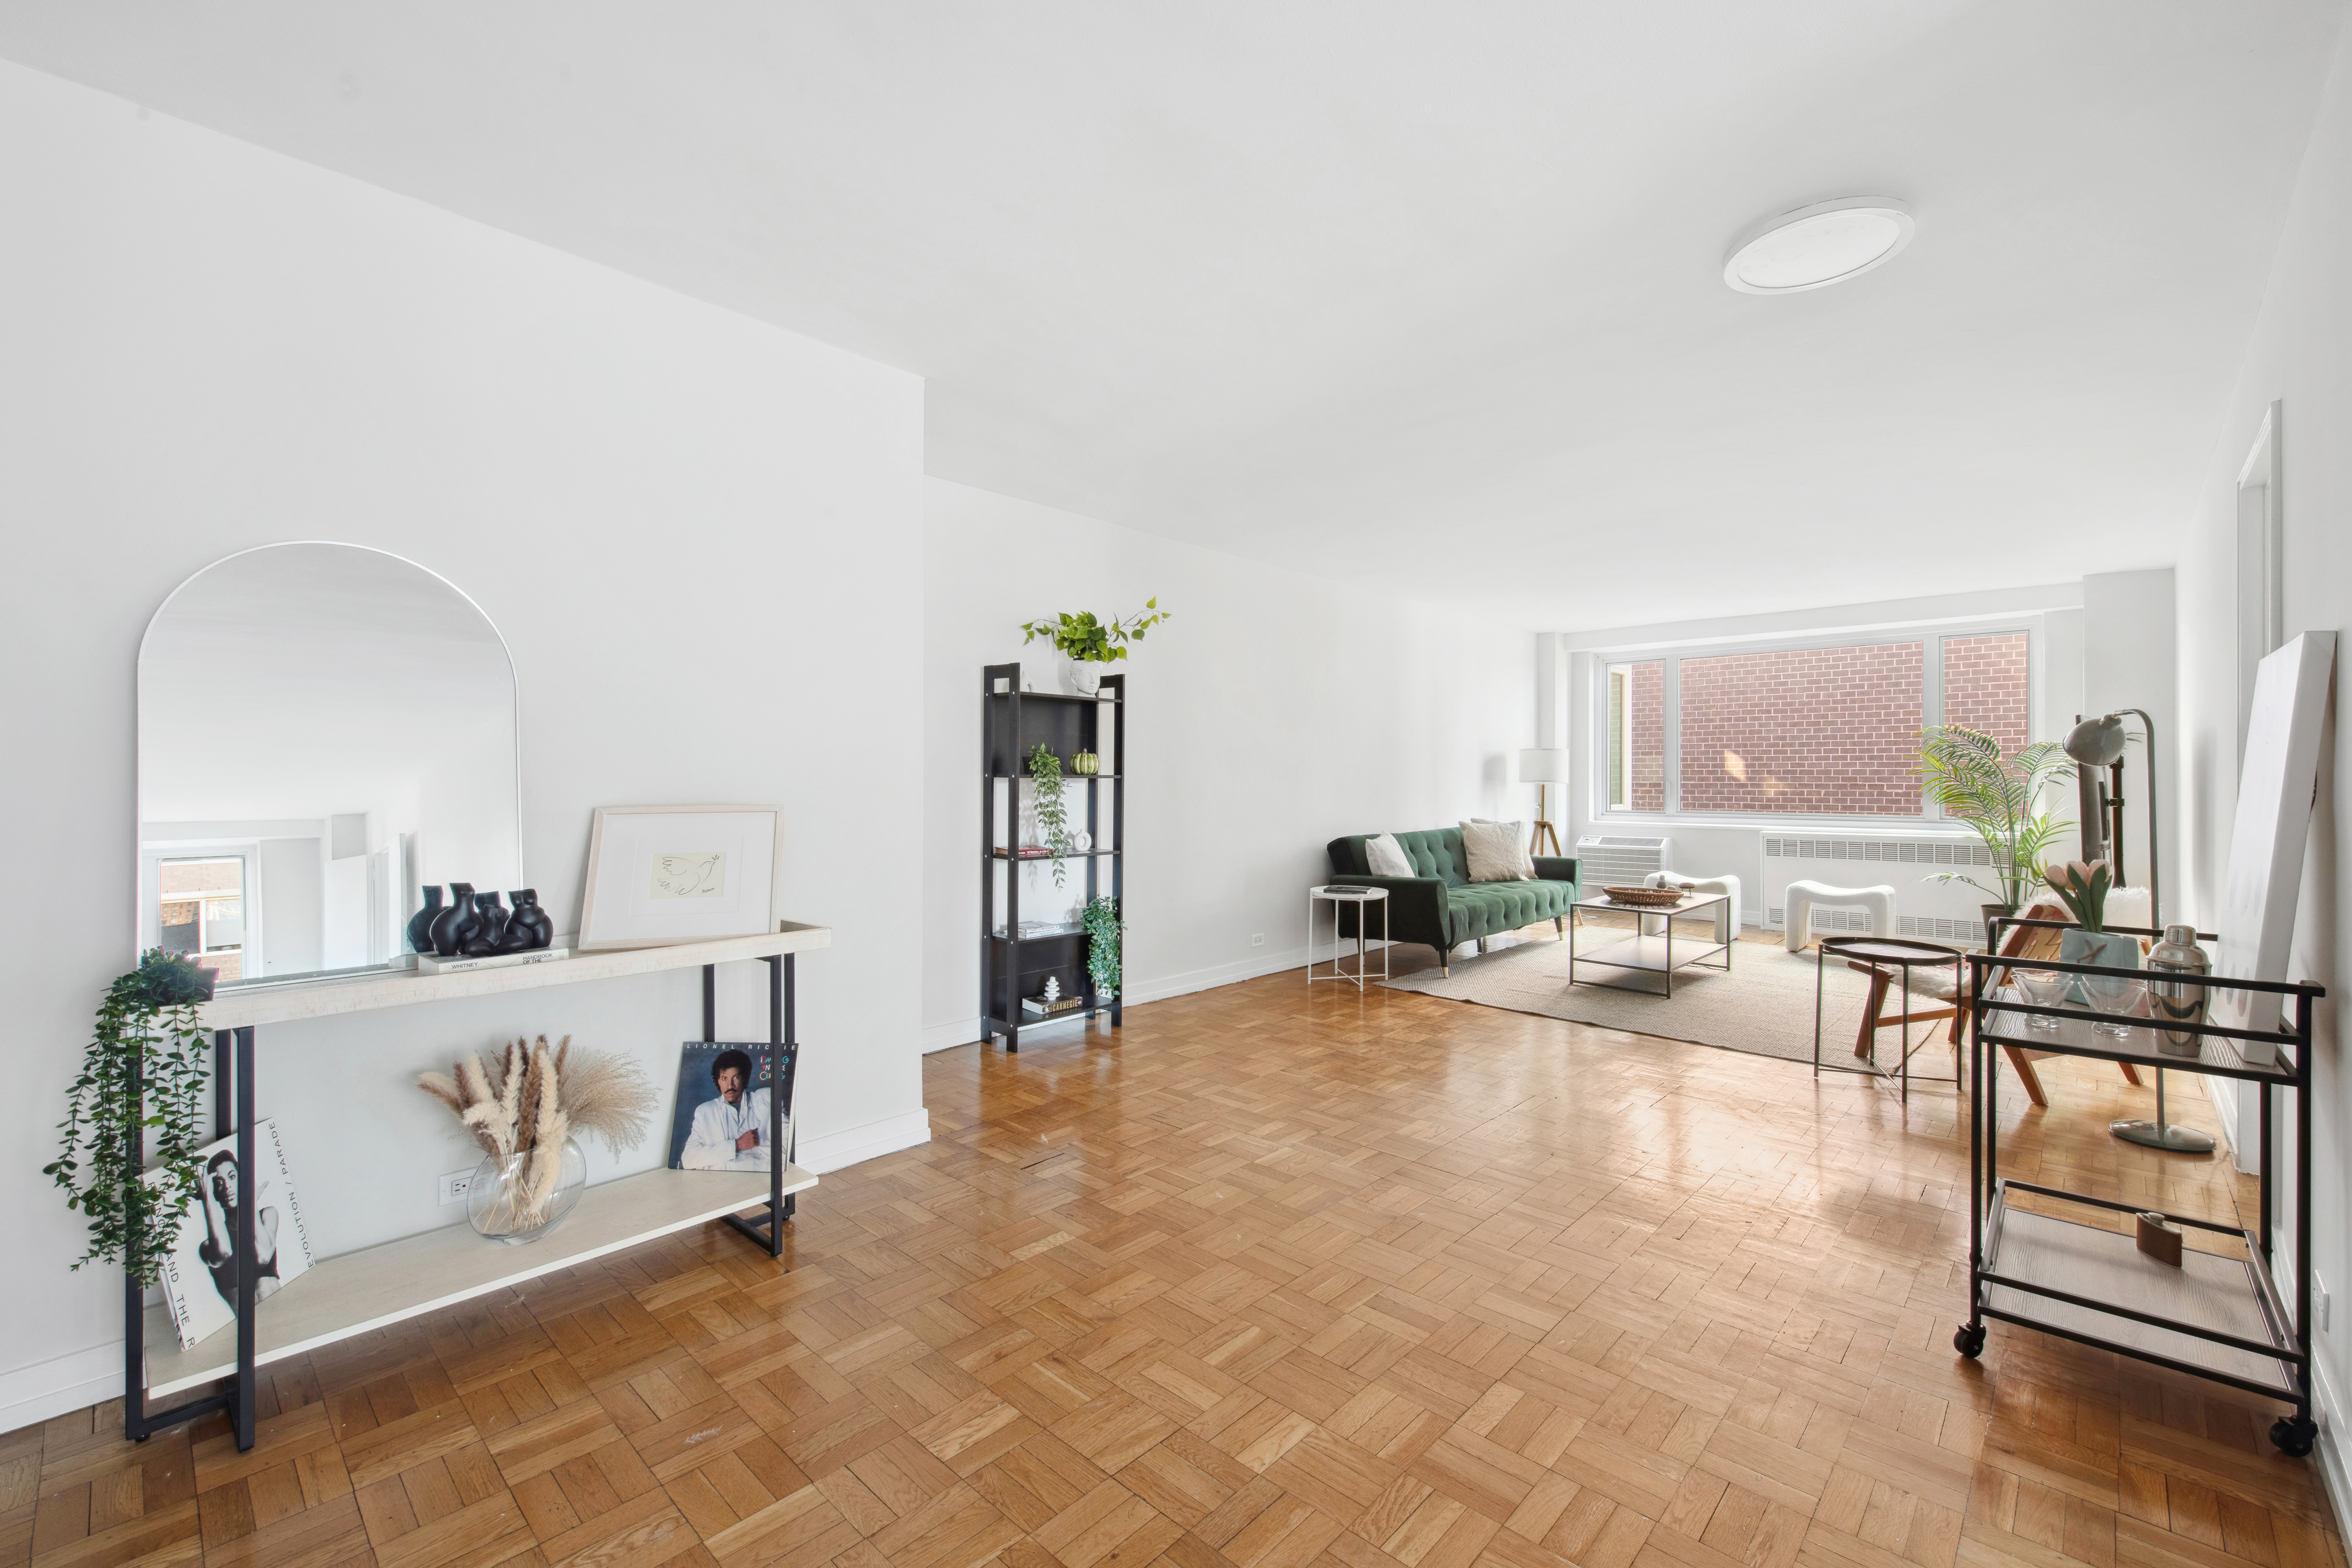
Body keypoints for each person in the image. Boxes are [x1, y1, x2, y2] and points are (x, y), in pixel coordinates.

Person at [195, 1149, 283, 1311]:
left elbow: (263, 1256)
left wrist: (250, 1201)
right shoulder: (207, 1248)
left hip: (281, 1314)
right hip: (248, 1327)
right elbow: (224, 1252)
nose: (227, 1186)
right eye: (219, 1183)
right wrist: (207, 1198)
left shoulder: (267, 1216)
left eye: (232, 1177)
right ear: (213, 1192)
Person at [679, 1049, 774, 1169]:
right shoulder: (705, 1111)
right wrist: (736, 1145)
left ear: (744, 1078)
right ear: (719, 1081)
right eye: (725, 1079)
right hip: (717, 1180)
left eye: (736, 1077)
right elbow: (688, 1160)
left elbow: (781, 1154)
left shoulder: (763, 1103)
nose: (730, 1085)